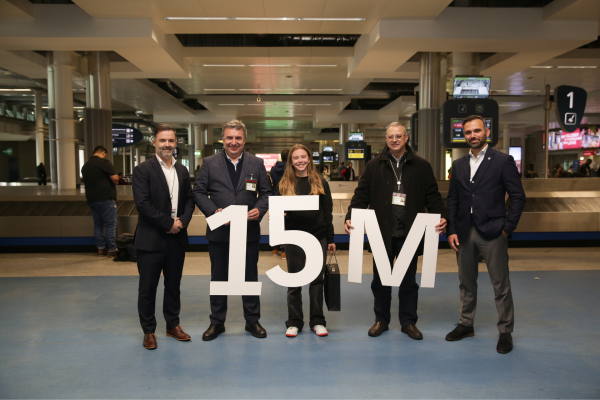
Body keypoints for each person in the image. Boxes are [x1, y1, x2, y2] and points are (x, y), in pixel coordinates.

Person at [344, 122, 447, 340]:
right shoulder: (374, 165)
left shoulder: (421, 166)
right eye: (391, 136)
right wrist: (350, 216)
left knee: (408, 281)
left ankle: (408, 322)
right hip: (381, 232)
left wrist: (442, 215)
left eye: (398, 136)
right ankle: (381, 320)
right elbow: (361, 194)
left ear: (406, 138)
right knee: (380, 280)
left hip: (410, 232)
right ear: (386, 139)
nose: (394, 140)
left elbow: (432, 196)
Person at [445, 115, 526, 355]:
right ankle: (466, 323)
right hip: (463, 231)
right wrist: (451, 229)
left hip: (493, 231)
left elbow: (518, 196)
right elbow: (453, 200)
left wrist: (507, 227)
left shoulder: (502, 161)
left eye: (477, 131)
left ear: (487, 132)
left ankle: (505, 331)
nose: (473, 135)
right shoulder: (458, 164)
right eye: (468, 132)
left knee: (500, 284)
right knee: (466, 281)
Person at [193, 119, 272, 341]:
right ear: (223, 139)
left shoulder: (256, 163)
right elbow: (198, 191)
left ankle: (252, 320)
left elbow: (266, 192)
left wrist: (259, 210)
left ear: (244, 140)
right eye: (229, 138)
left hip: (248, 231)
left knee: (249, 276)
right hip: (220, 231)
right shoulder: (210, 163)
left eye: (238, 138)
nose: (233, 142)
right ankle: (217, 322)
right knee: (219, 277)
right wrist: (213, 212)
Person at [132, 124, 195, 350]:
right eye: (162, 140)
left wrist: (182, 222)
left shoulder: (182, 170)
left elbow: (189, 199)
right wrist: (169, 223)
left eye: (170, 141)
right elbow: (142, 204)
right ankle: (149, 331)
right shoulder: (143, 170)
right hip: (151, 239)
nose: (166, 144)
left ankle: (172, 325)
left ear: (175, 143)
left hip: (176, 239)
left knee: (173, 286)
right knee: (147, 288)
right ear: (154, 143)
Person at [274, 144, 336, 338]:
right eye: (296, 158)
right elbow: (278, 212)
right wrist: (279, 216)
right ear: (291, 161)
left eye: (303, 157)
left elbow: (327, 212)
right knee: (294, 282)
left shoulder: (320, 182)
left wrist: (331, 238)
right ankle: (294, 321)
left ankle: (317, 321)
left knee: (317, 281)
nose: (300, 160)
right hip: (294, 238)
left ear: (309, 159)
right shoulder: (284, 184)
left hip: (318, 237)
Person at [81, 146, 119, 257]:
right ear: (103, 153)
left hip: (91, 199)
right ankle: (112, 249)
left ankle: (101, 249)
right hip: (105, 198)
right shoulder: (103, 162)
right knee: (110, 224)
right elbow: (115, 178)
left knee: (98, 225)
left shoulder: (85, 166)